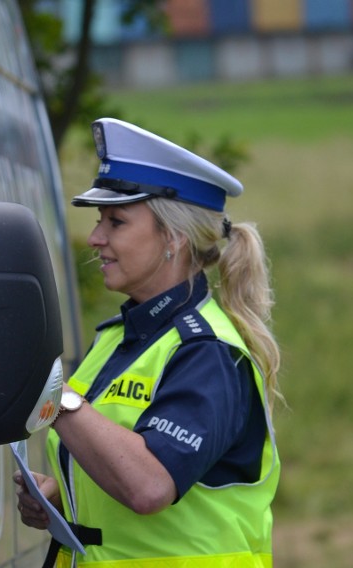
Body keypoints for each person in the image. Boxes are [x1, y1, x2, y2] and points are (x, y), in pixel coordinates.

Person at [15, 118, 281, 567]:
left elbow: (150, 484)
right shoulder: (118, 339)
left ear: (173, 238)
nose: (96, 238)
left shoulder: (208, 353)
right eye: (100, 220)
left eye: (116, 221)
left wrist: (57, 399)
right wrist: (63, 496)